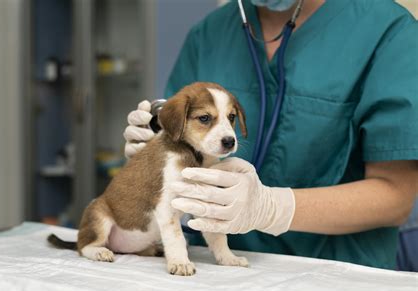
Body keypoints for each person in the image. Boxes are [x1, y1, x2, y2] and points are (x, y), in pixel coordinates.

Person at [123, 0, 418, 270]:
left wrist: (271, 208)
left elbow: (396, 196)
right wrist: (157, 150)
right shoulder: (209, 34)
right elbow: (183, 147)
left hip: (334, 276)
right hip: (215, 269)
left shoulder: (387, 32)